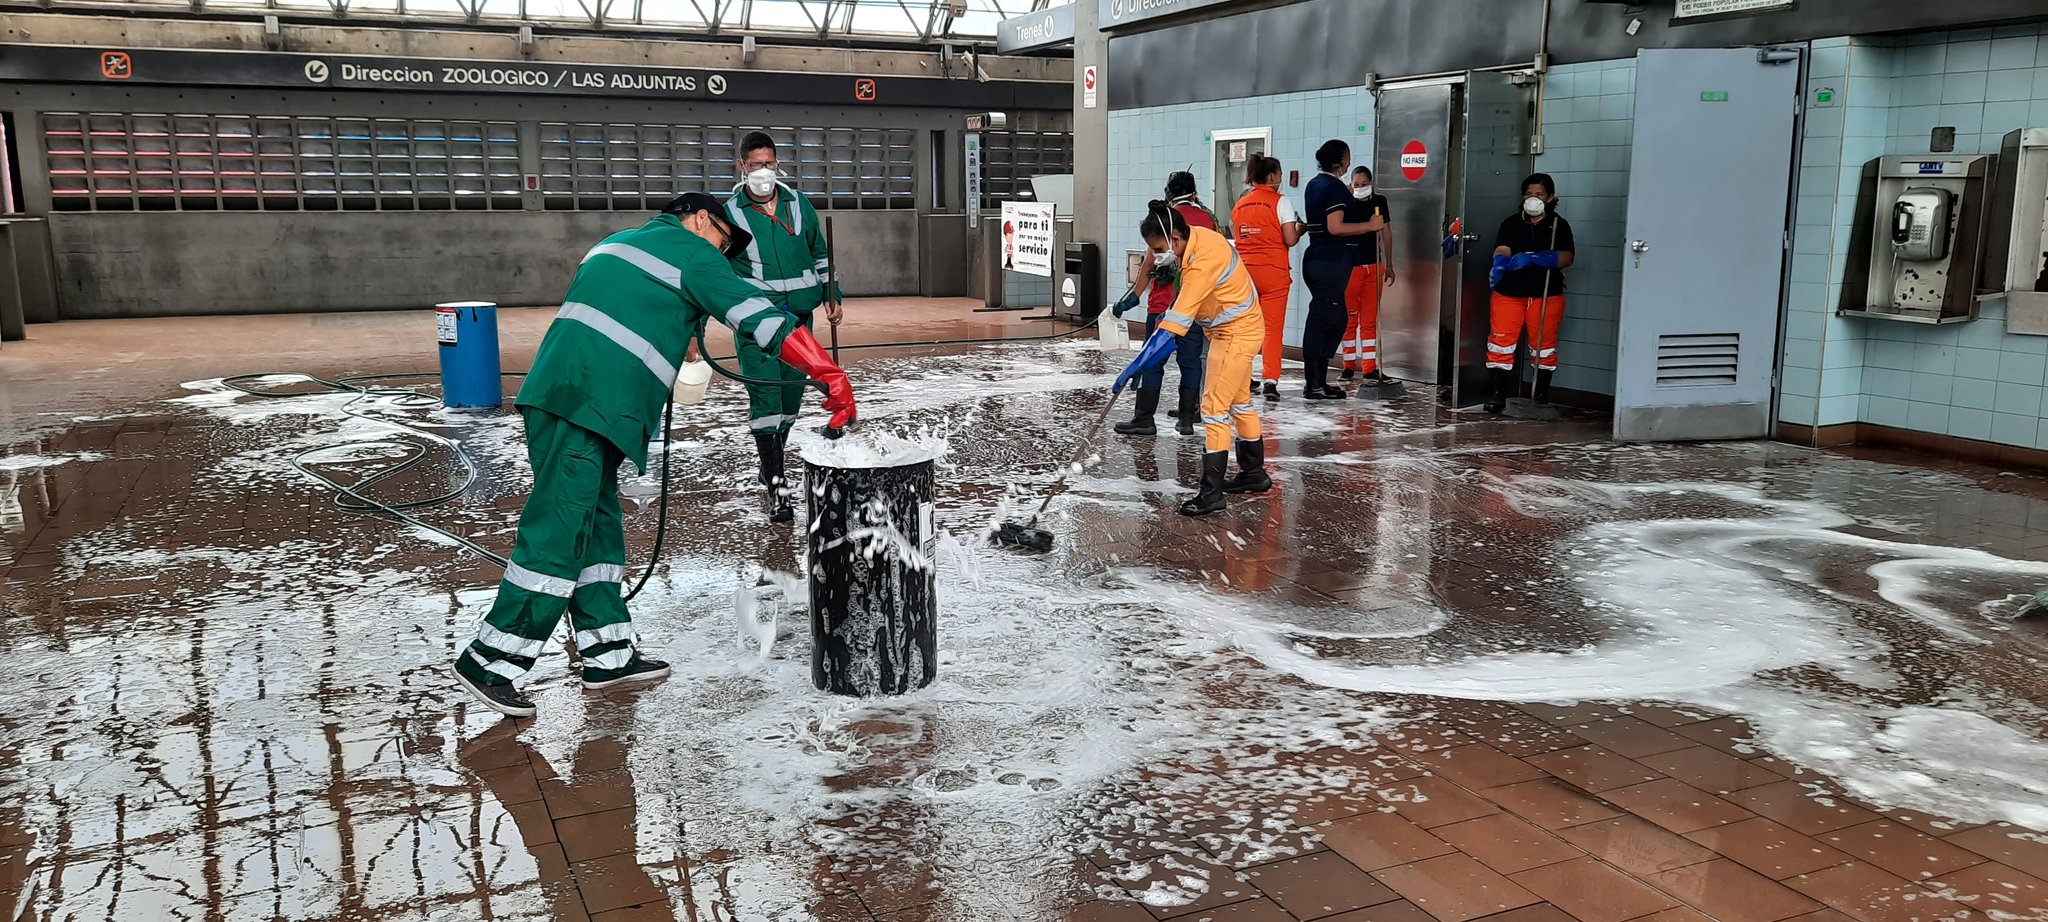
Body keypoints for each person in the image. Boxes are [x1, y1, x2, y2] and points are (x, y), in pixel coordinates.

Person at [453, 192, 858, 718]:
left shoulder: (616, 244)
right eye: (723, 240)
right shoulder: (692, 252)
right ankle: (490, 659)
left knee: (595, 530)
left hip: (571, 398)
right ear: (699, 218)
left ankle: (608, 654)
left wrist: (684, 324)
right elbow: (760, 316)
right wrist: (828, 372)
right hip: (587, 402)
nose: (723, 254)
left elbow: (633, 308)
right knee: (558, 532)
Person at [1115, 201, 1271, 516]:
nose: (1157, 255)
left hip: (1235, 335)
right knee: (1240, 403)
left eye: (1158, 248)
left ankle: (1211, 494)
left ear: (1174, 238)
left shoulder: (1202, 261)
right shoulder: (1198, 237)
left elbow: (1174, 326)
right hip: (1238, 330)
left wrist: (1139, 364)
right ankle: (1254, 474)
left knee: (1214, 410)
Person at [725, 131, 844, 523]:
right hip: (756, 320)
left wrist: (832, 292)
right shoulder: (730, 214)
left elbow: (819, 251)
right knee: (766, 401)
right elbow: (712, 271)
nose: (763, 172)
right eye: (755, 165)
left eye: (769, 164)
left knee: (791, 400)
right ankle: (777, 485)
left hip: (799, 319)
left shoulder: (797, 203)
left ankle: (769, 464)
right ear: (742, 167)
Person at [1113, 173, 1216, 437]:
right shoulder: (1207, 220)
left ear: (1169, 194)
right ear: (1194, 193)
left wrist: (1133, 296)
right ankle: (1186, 418)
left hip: (1163, 306)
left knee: (1153, 362)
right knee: (1191, 361)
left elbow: (1149, 263)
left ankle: (1144, 418)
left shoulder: (1165, 220)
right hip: (1196, 307)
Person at [1300, 140, 1384, 399]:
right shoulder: (1334, 187)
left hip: (1316, 257)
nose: (1349, 161)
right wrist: (1370, 226)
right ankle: (1315, 385)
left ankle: (1316, 381)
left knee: (1324, 318)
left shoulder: (1314, 183)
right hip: (1331, 259)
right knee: (1328, 319)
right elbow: (1336, 227)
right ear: (1340, 162)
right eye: (1347, 157)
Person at [1485, 173, 1576, 413]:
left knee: (1543, 346)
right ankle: (1497, 394)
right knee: (1500, 344)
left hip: (1545, 294)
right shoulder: (1512, 223)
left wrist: (1538, 258)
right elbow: (1502, 247)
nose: (1532, 199)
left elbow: (1567, 257)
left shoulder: (1558, 225)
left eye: (1538, 194)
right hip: (1509, 293)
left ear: (1550, 197)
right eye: (1528, 194)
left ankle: (1541, 396)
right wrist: (1500, 262)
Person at [1232, 155, 1302, 401]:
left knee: (1244, 327)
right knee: (1272, 330)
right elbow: (1290, 239)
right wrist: (1300, 229)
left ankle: (1244, 378)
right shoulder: (1281, 202)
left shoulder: (1241, 203)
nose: (1281, 179)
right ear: (1272, 176)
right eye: (1280, 174)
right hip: (1274, 273)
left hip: (1244, 274)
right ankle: (1270, 380)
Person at [1341, 166, 1397, 389]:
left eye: (1364, 184)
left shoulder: (1379, 202)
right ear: (1351, 184)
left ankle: (1369, 368)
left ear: (1371, 183)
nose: (1360, 188)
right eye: (1357, 184)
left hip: (1374, 265)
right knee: (1349, 317)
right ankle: (1347, 364)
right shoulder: (1346, 202)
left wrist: (1389, 264)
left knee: (1369, 319)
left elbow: (1386, 232)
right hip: (1351, 267)